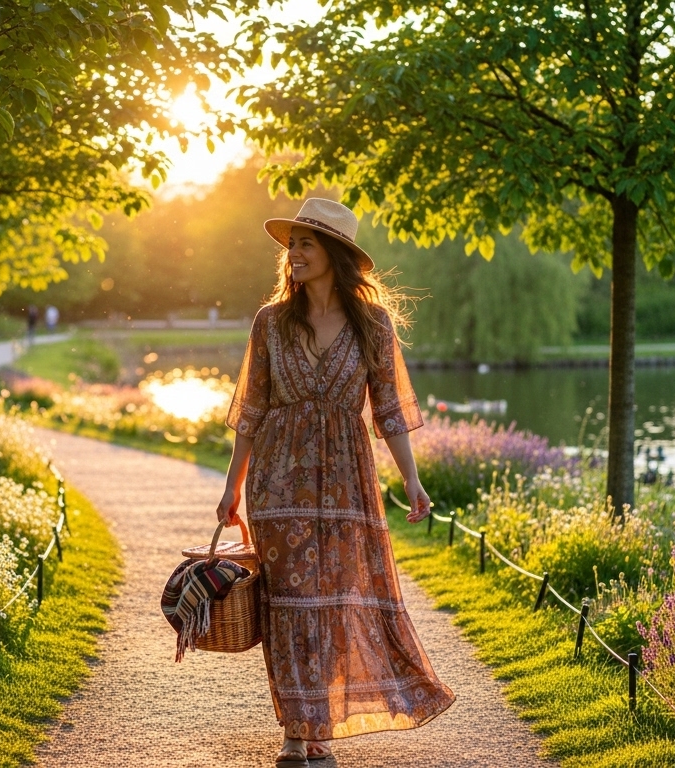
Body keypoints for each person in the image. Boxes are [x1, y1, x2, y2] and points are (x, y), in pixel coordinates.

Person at [217, 198, 454, 767]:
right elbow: (250, 410)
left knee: (334, 599)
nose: (293, 254)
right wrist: (231, 488)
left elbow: (389, 410)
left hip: (347, 480)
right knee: (292, 602)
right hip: (278, 479)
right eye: (291, 244)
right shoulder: (270, 322)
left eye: (306, 243)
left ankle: (317, 717)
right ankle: (298, 730)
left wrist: (413, 482)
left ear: (335, 255)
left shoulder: (373, 324)